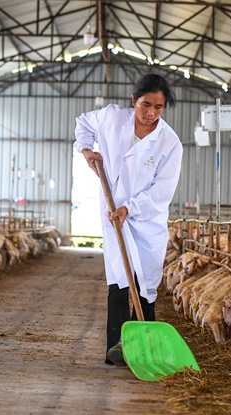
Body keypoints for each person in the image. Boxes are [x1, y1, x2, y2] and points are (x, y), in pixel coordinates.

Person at [74, 74, 183, 366]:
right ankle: (117, 346)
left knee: (145, 277)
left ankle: (145, 345)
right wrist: (86, 150)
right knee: (120, 274)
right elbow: (84, 122)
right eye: (145, 105)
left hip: (147, 218)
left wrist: (130, 209)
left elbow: (162, 191)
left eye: (159, 107)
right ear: (133, 101)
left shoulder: (169, 143)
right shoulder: (111, 118)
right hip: (112, 210)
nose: (151, 113)